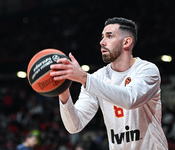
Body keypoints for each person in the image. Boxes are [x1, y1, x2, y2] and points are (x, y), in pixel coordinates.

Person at [50, 17, 168, 150]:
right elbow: (74, 126)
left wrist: (84, 77)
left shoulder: (147, 70)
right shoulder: (97, 78)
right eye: (102, 37)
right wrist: (63, 91)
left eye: (109, 36)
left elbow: (130, 99)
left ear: (126, 42)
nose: (102, 42)